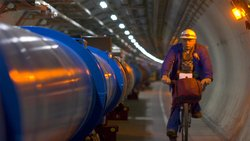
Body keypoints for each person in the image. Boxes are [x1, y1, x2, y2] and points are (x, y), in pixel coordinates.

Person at [161, 29, 213, 140]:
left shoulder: (201, 50)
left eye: (190, 40)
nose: (187, 43)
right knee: (176, 102)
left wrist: (207, 77)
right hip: (178, 79)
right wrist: (165, 75)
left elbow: (206, 64)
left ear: (195, 40)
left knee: (194, 92)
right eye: (185, 40)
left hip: (195, 78)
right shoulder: (175, 49)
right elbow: (168, 61)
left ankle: (195, 107)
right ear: (181, 40)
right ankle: (172, 129)